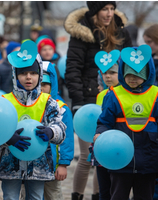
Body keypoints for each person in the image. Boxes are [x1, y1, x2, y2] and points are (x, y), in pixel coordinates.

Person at [63, 1, 132, 199]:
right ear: (95, 11)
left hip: (119, 100)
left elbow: (129, 66)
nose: (109, 13)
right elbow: (73, 69)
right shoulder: (81, 33)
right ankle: (77, 195)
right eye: (104, 9)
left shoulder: (121, 31)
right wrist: (78, 101)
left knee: (106, 156)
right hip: (88, 102)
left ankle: (98, 195)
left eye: (112, 8)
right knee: (87, 156)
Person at [0, 40, 66, 200]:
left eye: (33, 73)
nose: (28, 77)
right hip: (10, 163)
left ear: (40, 75)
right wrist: (7, 138)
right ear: (15, 75)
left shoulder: (48, 101)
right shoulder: (5, 101)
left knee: (35, 197)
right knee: (10, 197)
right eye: (23, 73)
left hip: (39, 163)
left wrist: (51, 132)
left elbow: (60, 128)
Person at [94, 45, 158, 200]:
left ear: (148, 72)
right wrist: (100, 133)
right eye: (128, 74)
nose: (132, 78)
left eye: (137, 74)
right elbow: (104, 121)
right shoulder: (114, 95)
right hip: (119, 159)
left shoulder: (155, 94)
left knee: (145, 196)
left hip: (148, 159)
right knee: (118, 195)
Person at [41, 61, 74, 200]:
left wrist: (63, 163)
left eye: (44, 85)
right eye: (39, 84)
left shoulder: (61, 108)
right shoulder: (27, 104)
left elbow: (67, 138)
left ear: (52, 84)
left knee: (53, 195)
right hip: (31, 165)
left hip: (52, 165)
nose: (41, 88)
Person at [93, 51, 120, 200]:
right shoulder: (101, 95)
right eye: (104, 73)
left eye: (112, 72)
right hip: (102, 145)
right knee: (104, 189)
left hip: (118, 146)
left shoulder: (123, 94)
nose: (107, 76)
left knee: (118, 189)